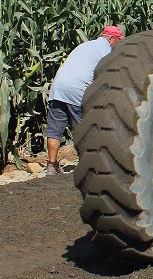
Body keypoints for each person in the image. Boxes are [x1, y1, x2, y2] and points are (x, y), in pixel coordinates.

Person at [45, 25, 124, 174]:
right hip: (77, 90)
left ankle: (51, 166)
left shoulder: (85, 45)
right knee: (84, 129)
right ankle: (87, 164)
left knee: (54, 130)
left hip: (57, 88)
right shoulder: (105, 51)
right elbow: (108, 76)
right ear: (112, 39)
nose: (117, 45)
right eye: (118, 42)